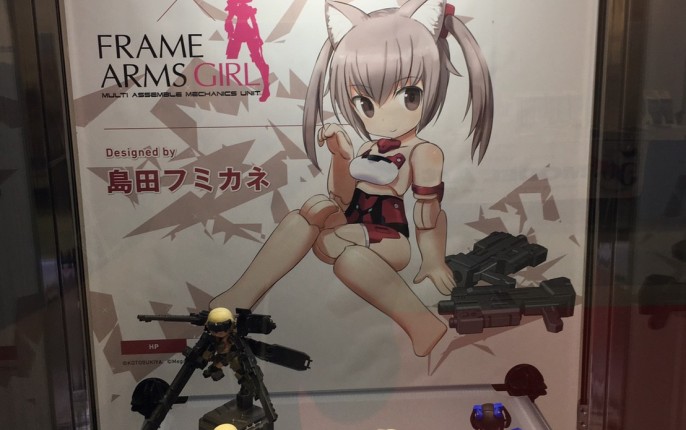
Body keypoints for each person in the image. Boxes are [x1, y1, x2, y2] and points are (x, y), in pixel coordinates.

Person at [211, 0, 494, 357]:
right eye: (365, 103)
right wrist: (341, 156)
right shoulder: (368, 147)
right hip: (352, 225)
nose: (382, 117)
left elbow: (428, 213)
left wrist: (433, 260)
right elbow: (342, 199)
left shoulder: (424, 152)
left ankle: (422, 323)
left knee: (351, 259)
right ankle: (240, 296)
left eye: (409, 95)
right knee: (315, 207)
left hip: (390, 237)